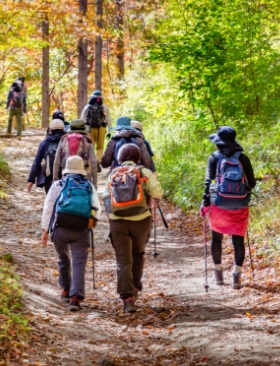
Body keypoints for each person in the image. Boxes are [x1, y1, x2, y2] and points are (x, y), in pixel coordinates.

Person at [104, 143, 163, 312]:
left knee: (123, 260)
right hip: (141, 220)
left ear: (120, 158)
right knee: (138, 253)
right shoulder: (144, 172)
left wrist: (112, 217)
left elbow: (105, 197)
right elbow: (158, 192)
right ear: (138, 157)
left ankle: (127, 298)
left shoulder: (114, 174)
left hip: (118, 222)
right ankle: (135, 287)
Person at [41, 156, 102, 311]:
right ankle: (76, 298)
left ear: (66, 169)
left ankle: (65, 289)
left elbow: (48, 207)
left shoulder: (58, 184)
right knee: (79, 263)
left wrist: (45, 230)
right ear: (82, 169)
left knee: (63, 259)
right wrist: (90, 226)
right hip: (81, 230)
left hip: (60, 229)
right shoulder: (89, 186)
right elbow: (97, 209)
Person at [201, 126, 256, 289]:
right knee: (238, 238)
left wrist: (205, 202)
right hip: (240, 205)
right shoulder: (243, 158)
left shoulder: (214, 157)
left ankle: (218, 275)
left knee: (217, 239)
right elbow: (251, 183)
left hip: (219, 204)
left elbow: (208, 183)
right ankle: (236, 278)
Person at [53, 119, 97, 189]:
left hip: (66, 175)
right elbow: (93, 162)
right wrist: (94, 183)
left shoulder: (64, 139)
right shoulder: (88, 140)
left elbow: (56, 160)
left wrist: (55, 179)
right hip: (84, 175)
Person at [27, 119, 65, 194]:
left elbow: (36, 162)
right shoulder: (67, 141)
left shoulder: (44, 143)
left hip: (48, 177)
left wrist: (31, 180)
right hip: (64, 176)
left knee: (50, 198)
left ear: (50, 129)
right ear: (63, 129)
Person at [80, 90, 112, 171]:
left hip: (89, 128)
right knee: (100, 147)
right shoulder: (105, 107)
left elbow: (82, 119)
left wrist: (81, 130)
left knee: (90, 146)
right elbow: (108, 119)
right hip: (101, 128)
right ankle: (98, 160)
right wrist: (109, 131)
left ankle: (91, 163)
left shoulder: (87, 107)